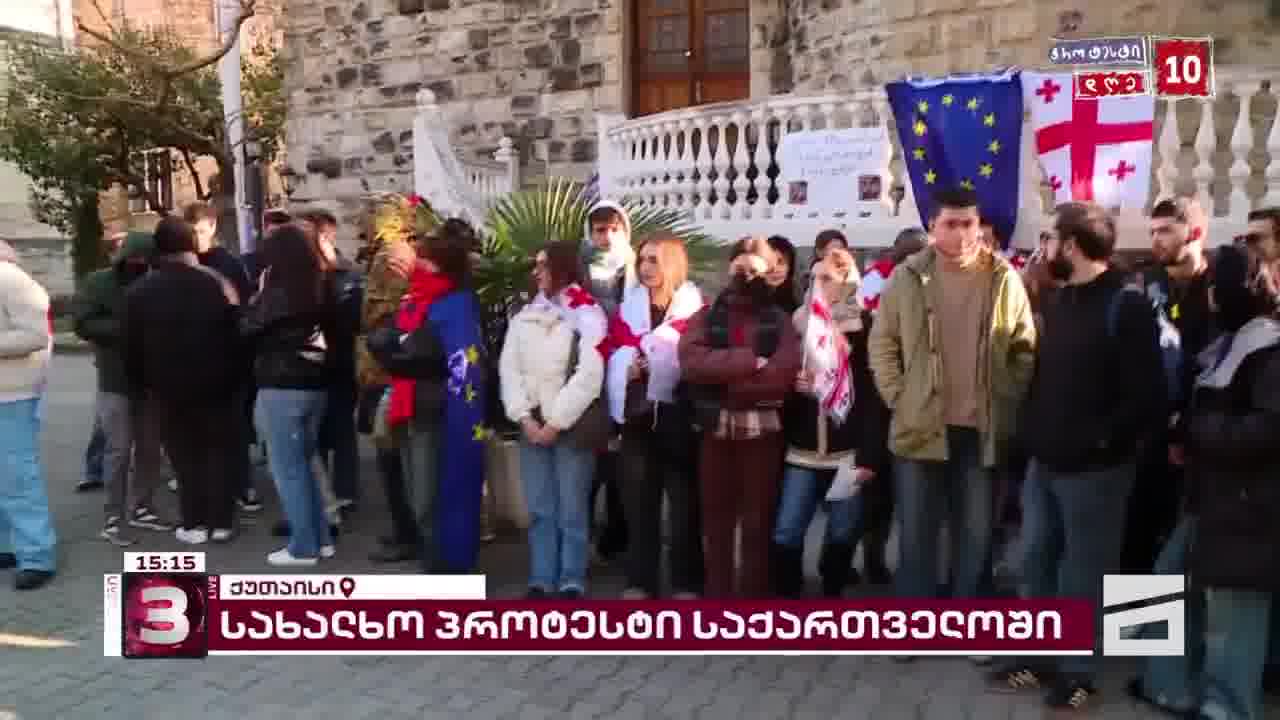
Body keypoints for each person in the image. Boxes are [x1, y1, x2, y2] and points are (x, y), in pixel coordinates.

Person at [990, 202, 1166, 711]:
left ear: (1070, 245)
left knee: (1083, 572)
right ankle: (1037, 656)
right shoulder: (1061, 301)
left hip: (1096, 471)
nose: (1045, 247)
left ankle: (1078, 671)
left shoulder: (1126, 304)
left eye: (1050, 238)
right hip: (1045, 464)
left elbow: (1146, 396)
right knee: (1036, 559)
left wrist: (1100, 443)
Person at [867, 187, 1036, 609]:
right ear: (932, 227)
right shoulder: (906, 277)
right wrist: (900, 397)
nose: (961, 233)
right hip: (919, 426)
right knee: (916, 534)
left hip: (980, 429)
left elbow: (1023, 345)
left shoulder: (1003, 277)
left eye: (969, 224)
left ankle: (969, 623)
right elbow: (882, 344)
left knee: (975, 535)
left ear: (980, 226)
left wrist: (1007, 397)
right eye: (951, 224)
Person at [1183, 244, 1280, 720]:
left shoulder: (1269, 349)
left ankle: (1228, 708)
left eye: (1215, 290)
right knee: (1154, 583)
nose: (1210, 300)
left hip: (1245, 507)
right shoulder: (1230, 342)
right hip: (1205, 497)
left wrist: (1200, 429)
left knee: (1235, 616)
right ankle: (1166, 685)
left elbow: (1267, 427)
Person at [679, 237, 803, 597]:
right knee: (715, 522)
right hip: (714, 430)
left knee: (757, 521)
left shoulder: (780, 321)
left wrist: (723, 382)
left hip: (763, 433)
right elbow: (691, 363)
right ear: (728, 270)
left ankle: (752, 599)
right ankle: (717, 597)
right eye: (740, 269)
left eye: (755, 271)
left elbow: (781, 377)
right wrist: (749, 363)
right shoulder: (706, 316)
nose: (747, 276)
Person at [368, 219, 488, 573]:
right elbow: (387, 339)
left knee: (428, 498)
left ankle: (443, 570)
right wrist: (392, 346)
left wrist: (393, 348)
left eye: (424, 260)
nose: (416, 265)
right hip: (411, 404)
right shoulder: (418, 300)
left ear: (439, 266)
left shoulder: (453, 305)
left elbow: (422, 355)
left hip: (433, 409)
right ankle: (432, 562)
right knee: (416, 492)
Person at [772, 247, 888, 598]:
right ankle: (789, 597)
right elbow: (778, 383)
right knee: (787, 530)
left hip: (847, 451)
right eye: (814, 278)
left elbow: (874, 398)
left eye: (827, 279)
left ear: (846, 282)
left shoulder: (865, 329)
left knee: (842, 530)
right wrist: (795, 387)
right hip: (802, 450)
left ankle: (832, 593)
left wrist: (869, 456)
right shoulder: (796, 323)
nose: (818, 285)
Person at [123, 217, 242, 546]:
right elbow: (237, 331)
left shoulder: (139, 292)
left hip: (166, 386)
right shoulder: (215, 283)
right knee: (219, 451)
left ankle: (194, 522)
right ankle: (222, 523)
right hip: (218, 382)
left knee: (184, 456)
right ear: (191, 244)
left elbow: (131, 347)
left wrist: (139, 386)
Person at [500, 241, 609, 599]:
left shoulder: (588, 315)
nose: (536, 272)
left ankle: (571, 577)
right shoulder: (523, 316)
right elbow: (509, 370)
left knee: (572, 508)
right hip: (531, 426)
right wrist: (524, 418)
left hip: (570, 428)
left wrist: (556, 421)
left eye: (543, 265)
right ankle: (542, 576)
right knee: (541, 508)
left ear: (561, 268)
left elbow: (589, 373)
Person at [603, 234, 705, 599]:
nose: (646, 268)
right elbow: (612, 349)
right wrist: (626, 365)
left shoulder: (695, 310)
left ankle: (686, 581)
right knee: (639, 504)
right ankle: (640, 581)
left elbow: (700, 358)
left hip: (678, 418)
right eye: (643, 260)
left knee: (683, 507)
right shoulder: (626, 309)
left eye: (654, 260)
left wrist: (663, 361)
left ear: (672, 264)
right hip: (637, 419)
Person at [1121, 196, 1215, 574]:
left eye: (1165, 231)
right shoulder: (1145, 285)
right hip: (1150, 438)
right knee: (1140, 539)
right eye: (1152, 232)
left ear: (1193, 233)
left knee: (1185, 551)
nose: (1156, 239)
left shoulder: (1220, 290)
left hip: (1204, 440)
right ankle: (1133, 631)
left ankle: (1177, 632)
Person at [241, 225, 338, 565]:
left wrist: (256, 296)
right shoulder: (322, 286)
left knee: (287, 469)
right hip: (316, 384)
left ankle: (304, 547)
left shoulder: (279, 292)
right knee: (307, 464)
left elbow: (248, 327)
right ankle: (321, 538)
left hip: (282, 385)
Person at [72, 231, 172, 546]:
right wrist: (126, 330)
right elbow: (83, 322)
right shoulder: (98, 283)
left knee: (149, 449)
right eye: (134, 259)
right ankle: (114, 517)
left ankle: (142, 506)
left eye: (145, 260)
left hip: (151, 380)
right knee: (118, 450)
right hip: (115, 379)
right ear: (123, 257)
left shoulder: (158, 282)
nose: (139, 264)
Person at [185, 202, 261, 514]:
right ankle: (206, 487)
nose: (196, 238)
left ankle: (242, 485)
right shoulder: (181, 262)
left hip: (230, 356)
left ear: (213, 227)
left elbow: (245, 308)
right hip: (193, 358)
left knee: (235, 426)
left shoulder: (228, 264)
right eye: (191, 232)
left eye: (201, 231)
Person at [359, 203, 420, 564]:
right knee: (391, 459)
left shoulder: (393, 257)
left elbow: (393, 313)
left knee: (393, 459)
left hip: (388, 371)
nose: (363, 223)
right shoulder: (385, 254)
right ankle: (403, 528)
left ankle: (406, 532)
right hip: (381, 368)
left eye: (370, 216)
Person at [0, 239, 56, 590]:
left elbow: (35, 335)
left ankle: (37, 555)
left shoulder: (9, 278)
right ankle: (9, 547)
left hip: (11, 394)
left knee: (18, 477)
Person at [300, 208, 364, 512]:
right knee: (316, 433)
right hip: (310, 367)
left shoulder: (347, 275)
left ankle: (345, 492)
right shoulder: (303, 274)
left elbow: (352, 322)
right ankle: (321, 493)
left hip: (338, 363)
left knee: (340, 428)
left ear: (324, 236)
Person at [582, 201, 633, 564]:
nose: (606, 236)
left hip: (623, 372)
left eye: (613, 228)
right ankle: (580, 536)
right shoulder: (579, 269)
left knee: (620, 462)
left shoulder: (636, 265)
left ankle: (618, 534)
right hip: (587, 372)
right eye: (599, 229)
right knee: (588, 463)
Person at [79, 231, 129, 493]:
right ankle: (93, 470)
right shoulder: (99, 282)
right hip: (110, 364)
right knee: (104, 422)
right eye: (119, 248)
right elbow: (86, 322)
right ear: (110, 254)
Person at [858, 227, 927, 314]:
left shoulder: (929, 273)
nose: (909, 256)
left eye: (915, 251)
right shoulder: (879, 272)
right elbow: (863, 300)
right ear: (895, 246)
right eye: (904, 250)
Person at [764, 234, 800, 313]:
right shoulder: (747, 300)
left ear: (790, 267)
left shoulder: (799, 297)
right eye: (769, 262)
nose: (775, 269)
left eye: (781, 262)